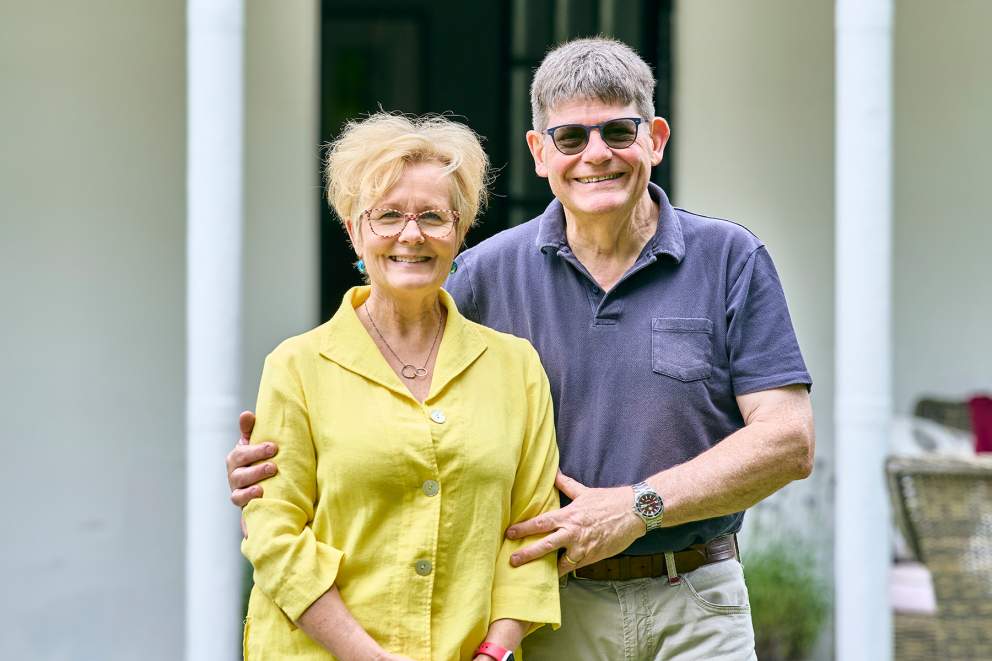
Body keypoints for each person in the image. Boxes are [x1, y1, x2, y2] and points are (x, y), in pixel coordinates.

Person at [229, 37, 815, 660]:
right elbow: (387, 374)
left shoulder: (729, 259)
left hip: (696, 592)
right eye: (570, 138)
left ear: (656, 139)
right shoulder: (482, 273)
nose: (596, 155)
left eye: (619, 131)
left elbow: (788, 440)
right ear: (539, 153)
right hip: (557, 610)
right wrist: (279, 463)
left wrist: (639, 507)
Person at [239, 112, 561, 660]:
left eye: (433, 217)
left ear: (459, 231)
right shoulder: (297, 366)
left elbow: (533, 531)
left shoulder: (515, 367)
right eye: (388, 215)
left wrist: (494, 653)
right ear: (353, 229)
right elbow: (274, 535)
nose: (411, 235)